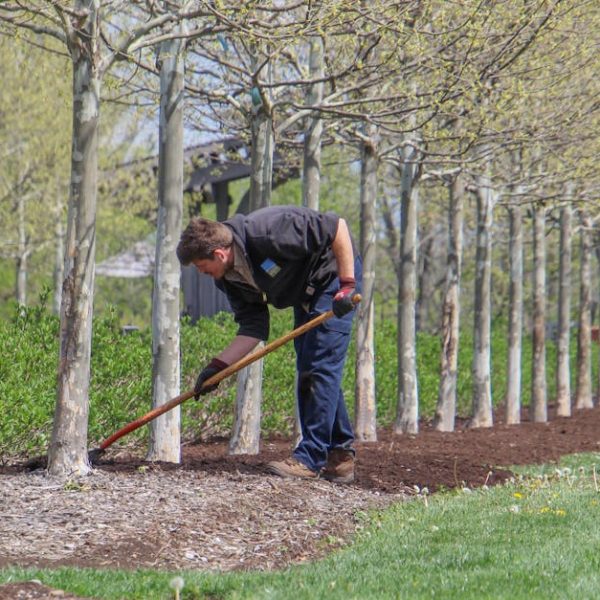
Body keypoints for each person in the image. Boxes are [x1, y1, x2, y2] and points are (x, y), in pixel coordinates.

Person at [176, 205, 362, 483]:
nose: (203, 273)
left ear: (219, 253)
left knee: (319, 368)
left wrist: (347, 285)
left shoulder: (268, 231)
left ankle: (310, 459)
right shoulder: (228, 278)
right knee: (310, 366)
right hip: (304, 295)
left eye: (202, 268)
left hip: (331, 280)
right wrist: (217, 367)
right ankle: (340, 457)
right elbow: (253, 327)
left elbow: (338, 227)